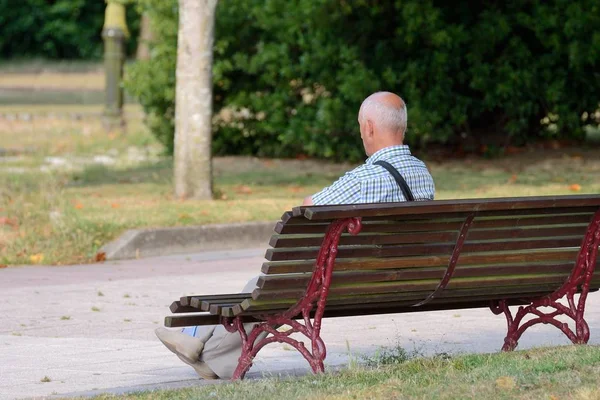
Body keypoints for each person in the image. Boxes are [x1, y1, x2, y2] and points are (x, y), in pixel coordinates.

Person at [155, 91, 435, 379]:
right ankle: (204, 349)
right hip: (404, 280)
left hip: (344, 284)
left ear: (369, 128)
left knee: (269, 288)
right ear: (401, 127)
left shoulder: (364, 179)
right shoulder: (422, 174)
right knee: (264, 287)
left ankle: (200, 343)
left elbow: (305, 209)